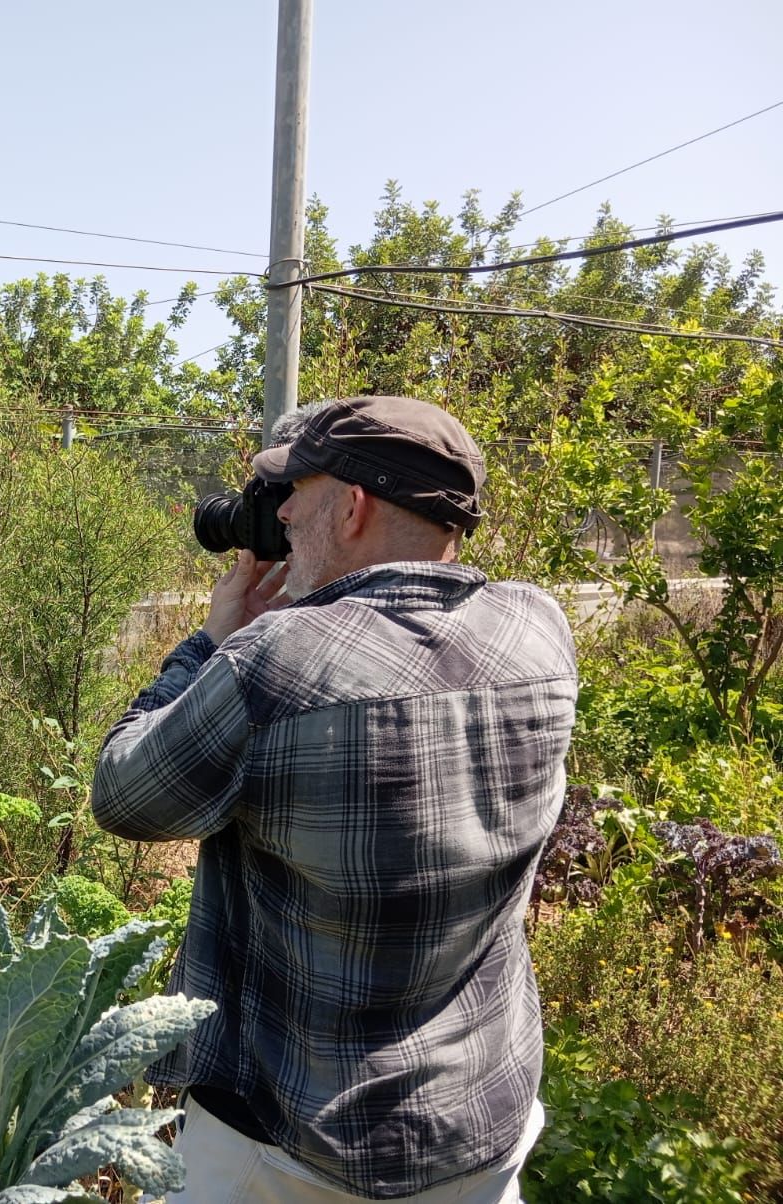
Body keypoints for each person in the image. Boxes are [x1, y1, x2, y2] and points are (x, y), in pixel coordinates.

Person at [91, 396, 577, 1203]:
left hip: (288, 1148)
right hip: (480, 1129)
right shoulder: (535, 626)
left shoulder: (274, 660)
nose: (279, 514)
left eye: (295, 493)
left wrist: (215, 643)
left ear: (352, 507)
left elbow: (125, 793)